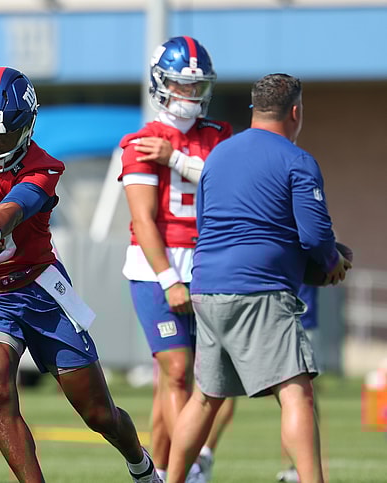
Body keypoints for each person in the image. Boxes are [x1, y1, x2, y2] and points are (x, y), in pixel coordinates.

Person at [0, 66, 161, 483]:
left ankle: (140, 464)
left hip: (37, 289)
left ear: (26, 128)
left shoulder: (44, 165)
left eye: (4, 136)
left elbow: (14, 209)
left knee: (99, 413)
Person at [165, 73, 352, 483]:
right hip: (260, 291)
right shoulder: (296, 160)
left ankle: (170, 480)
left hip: (207, 287)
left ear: (256, 109)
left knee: (204, 398)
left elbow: (208, 224)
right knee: (296, 392)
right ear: (296, 112)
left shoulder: (218, 157)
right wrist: (331, 260)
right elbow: (316, 235)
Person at [118, 36, 234, 482]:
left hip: (209, 266)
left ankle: (163, 470)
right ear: (160, 84)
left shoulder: (219, 136)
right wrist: (168, 278)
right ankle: (184, 473)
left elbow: (230, 188)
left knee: (198, 379)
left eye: (195, 86)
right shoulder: (141, 142)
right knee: (178, 370)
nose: (188, 95)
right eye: (179, 85)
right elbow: (144, 220)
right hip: (156, 268)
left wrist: (179, 159)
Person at [276, 284, 320, 482]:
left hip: (299, 316)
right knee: (296, 397)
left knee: (300, 396)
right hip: (280, 314)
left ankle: (302, 470)